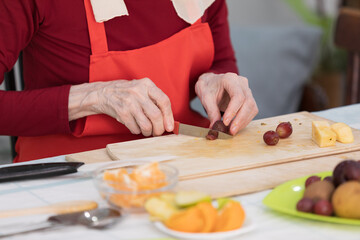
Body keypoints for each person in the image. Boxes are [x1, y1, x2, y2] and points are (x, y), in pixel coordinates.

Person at [0, 0, 258, 163]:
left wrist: (216, 80)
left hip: (181, 159)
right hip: (72, 168)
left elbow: (221, 59)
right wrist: (94, 96)